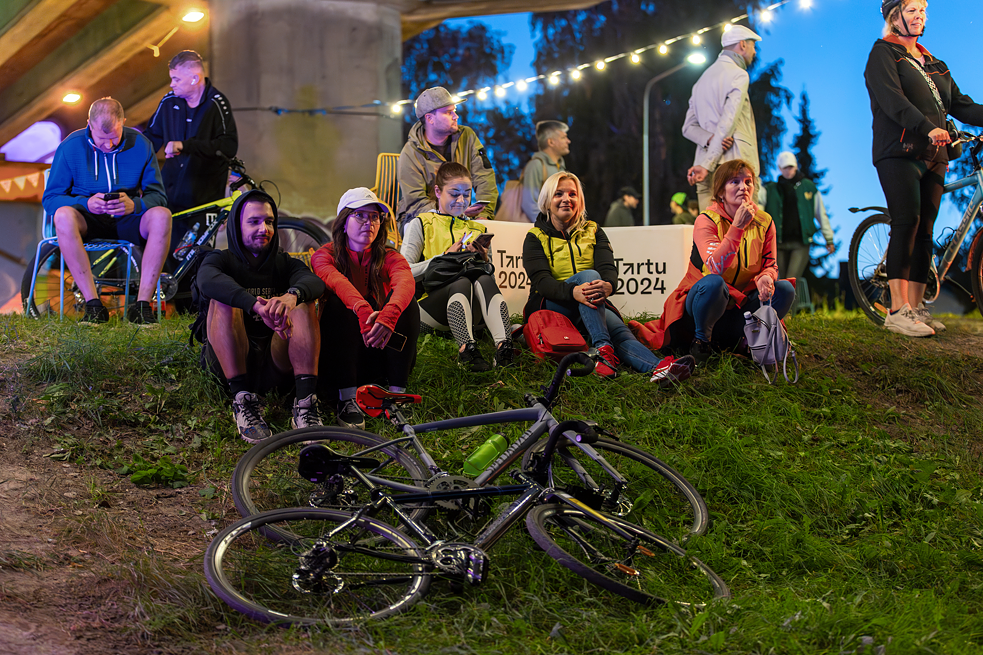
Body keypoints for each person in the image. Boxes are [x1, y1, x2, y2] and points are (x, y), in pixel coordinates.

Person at [865, 0, 983, 337]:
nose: (920, 17)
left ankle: (916, 308)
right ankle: (896, 310)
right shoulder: (883, 54)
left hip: (936, 154)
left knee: (926, 229)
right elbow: (892, 101)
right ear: (894, 16)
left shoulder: (934, 63)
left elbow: (962, 105)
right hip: (899, 150)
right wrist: (926, 126)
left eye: (923, 11)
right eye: (913, 10)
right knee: (908, 221)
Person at [523, 171, 695, 385]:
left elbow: (607, 268)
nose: (566, 199)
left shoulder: (594, 230)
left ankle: (659, 369)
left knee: (620, 332)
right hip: (551, 305)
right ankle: (602, 350)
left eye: (572, 194)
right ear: (547, 201)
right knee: (589, 276)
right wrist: (573, 291)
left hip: (588, 301)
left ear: (579, 200)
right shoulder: (534, 237)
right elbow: (542, 282)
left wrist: (608, 286)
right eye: (559, 194)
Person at [630, 160, 795, 366]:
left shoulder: (765, 221)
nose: (743, 187)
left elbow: (771, 264)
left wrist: (766, 277)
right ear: (720, 192)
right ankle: (702, 343)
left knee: (785, 289)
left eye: (748, 182)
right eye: (734, 182)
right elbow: (716, 267)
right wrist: (737, 227)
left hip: (740, 311)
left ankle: (751, 340)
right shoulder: (706, 219)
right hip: (704, 310)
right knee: (714, 284)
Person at [195, 189, 325, 442]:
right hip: (231, 361)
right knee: (223, 298)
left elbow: (313, 282)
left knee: (303, 301)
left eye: (269, 221)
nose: (263, 228)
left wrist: (291, 296)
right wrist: (256, 305)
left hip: (275, 361)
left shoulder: (284, 263)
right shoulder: (219, 260)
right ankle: (243, 401)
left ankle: (306, 404)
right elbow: (207, 281)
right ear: (237, 225)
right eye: (253, 221)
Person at [41, 97, 171, 326]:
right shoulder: (71, 146)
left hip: (127, 216)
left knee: (162, 215)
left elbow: (158, 196)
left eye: (114, 137)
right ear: (89, 124)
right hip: (87, 218)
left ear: (124, 122)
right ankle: (93, 306)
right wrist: (85, 203)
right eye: (102, 139)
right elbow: (51, 199)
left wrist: (136, 205)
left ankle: (141, 306)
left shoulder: (141, 144)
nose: (109, 145)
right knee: (62, 215)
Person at [312, 189, 420, 429]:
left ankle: (396, 396)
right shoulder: (324, 255)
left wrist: (388, 317)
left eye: (374, 217)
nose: (369, 223)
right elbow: (337, 282)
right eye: (360, 215)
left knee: (406, 303)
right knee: (341, 302)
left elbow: (405, 281)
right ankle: (347, 399)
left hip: (380, 348)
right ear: (343, 221)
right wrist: (362, 310)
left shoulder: (390, 256)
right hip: (341, 357)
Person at [400, 162, 513, 372]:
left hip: (475, 313)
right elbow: (402, 273)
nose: (461, 201)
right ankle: (467, 350)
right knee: (460, 281)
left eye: (466, 194)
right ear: (437, 191)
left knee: (483, 278)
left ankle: (504, 348)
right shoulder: (422, 223)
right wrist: (444, 258)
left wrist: (485, 261)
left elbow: (490, 285)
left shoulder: (478, 228)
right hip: (431, 311)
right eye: (454, 194)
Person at [144, 50, 238, 253]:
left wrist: (184, 145)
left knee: (199, 257)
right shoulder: (168, 101)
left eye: (176, 79)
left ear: (195, 78)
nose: (172, 84)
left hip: (204, 199)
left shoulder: (217, 104)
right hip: (169, 196)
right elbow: (150, 139)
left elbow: (228, 146)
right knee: (167, 254)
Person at [683, 25, 762, 211]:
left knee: (710, 232)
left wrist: (709, 142)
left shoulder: (700, 81)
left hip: (703, 165)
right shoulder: (738, 75)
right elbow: (727, 123)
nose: (754, 52)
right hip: (735, 168)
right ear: (742, 45)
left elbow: (687, 127)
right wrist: (710, 162)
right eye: (753, 46)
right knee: (744, 233)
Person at [397, 87, 498, 227]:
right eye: (448, 112)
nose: (456, 116)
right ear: (430, 118)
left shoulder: (467, 137)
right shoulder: (410, 153)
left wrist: (484, 215)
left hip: (462, 215)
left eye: (454, 111)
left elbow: (485, 178)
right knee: (421, 231)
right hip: (421, 218)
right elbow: (416, 202)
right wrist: (454, 210)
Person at [762, 152, 835, 285]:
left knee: (791, 280)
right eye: (785, 168)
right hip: (777, 242)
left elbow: (820, 213)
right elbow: (759, 213)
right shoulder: (771, 189)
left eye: (790, 167)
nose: (788, 170)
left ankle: (790, 306)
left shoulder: (809, 188)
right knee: (778, 280)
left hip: (801, 242)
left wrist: (828, 238)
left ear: (796, 166)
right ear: (779, 168)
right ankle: (777, 306)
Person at [520, 120, 570, 222]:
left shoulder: (561, 168)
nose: (568, 141)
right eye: (563, 137)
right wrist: (547, 227)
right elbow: (529, 204)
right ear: (551, 142)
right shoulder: (536, 165)